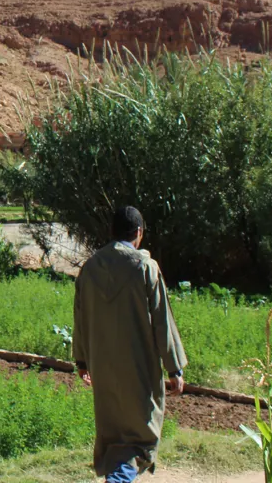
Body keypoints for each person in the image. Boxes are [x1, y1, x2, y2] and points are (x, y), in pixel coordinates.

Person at [72, 206, 187, 483]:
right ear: (139, 233)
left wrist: (82, 360)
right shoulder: (146, 268)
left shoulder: (89, 269)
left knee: (114, 438)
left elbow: (80, 316)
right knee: (138, 440)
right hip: (139, 369)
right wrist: (175, 369)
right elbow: (163, 322)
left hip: (104, 369)